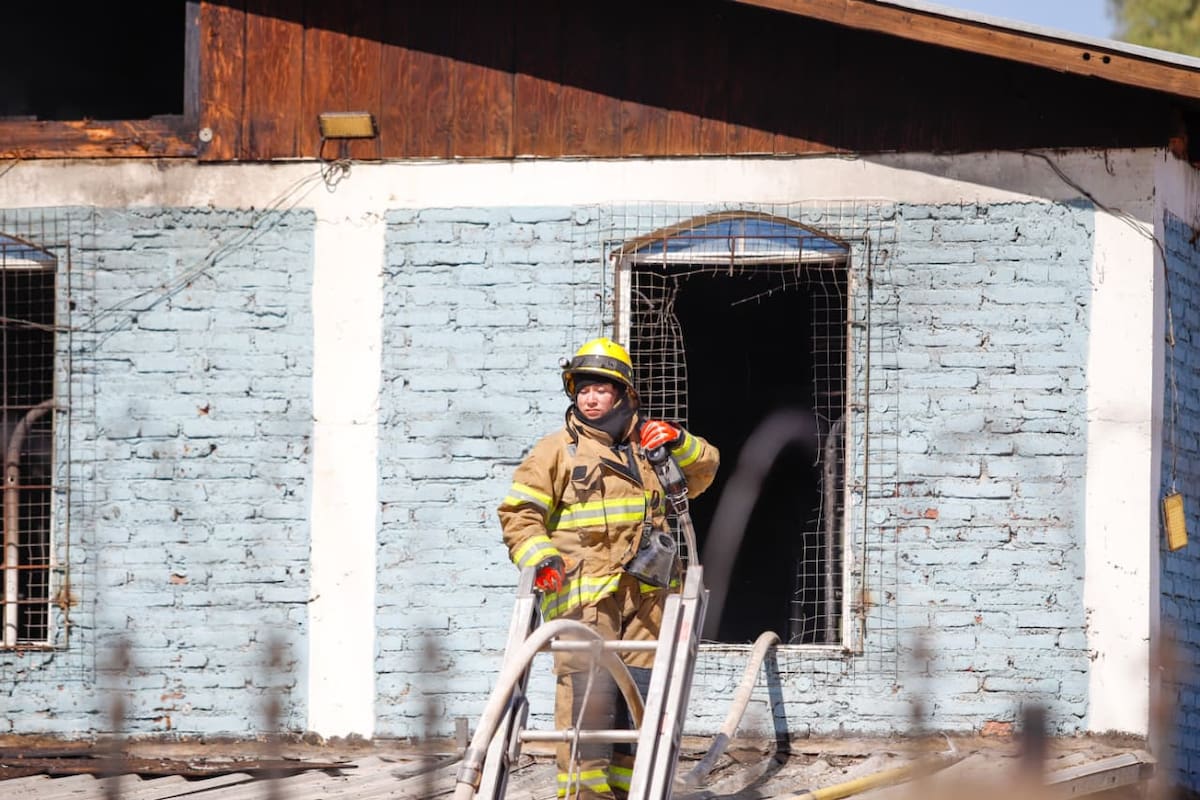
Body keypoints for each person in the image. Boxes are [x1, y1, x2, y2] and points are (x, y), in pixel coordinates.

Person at [498, 337, 720, 800]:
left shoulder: (649, 447)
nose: (590, 398)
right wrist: (541, 560)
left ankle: (629, 791)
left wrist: (680, 441)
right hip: (583, 596)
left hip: (648, 596)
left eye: (601, 389)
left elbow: (704, 473)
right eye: (582, 390)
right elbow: (519, 515)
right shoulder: (556, 451)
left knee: (640, 695)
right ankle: (584, 794)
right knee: (588, 695)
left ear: (624, 394)